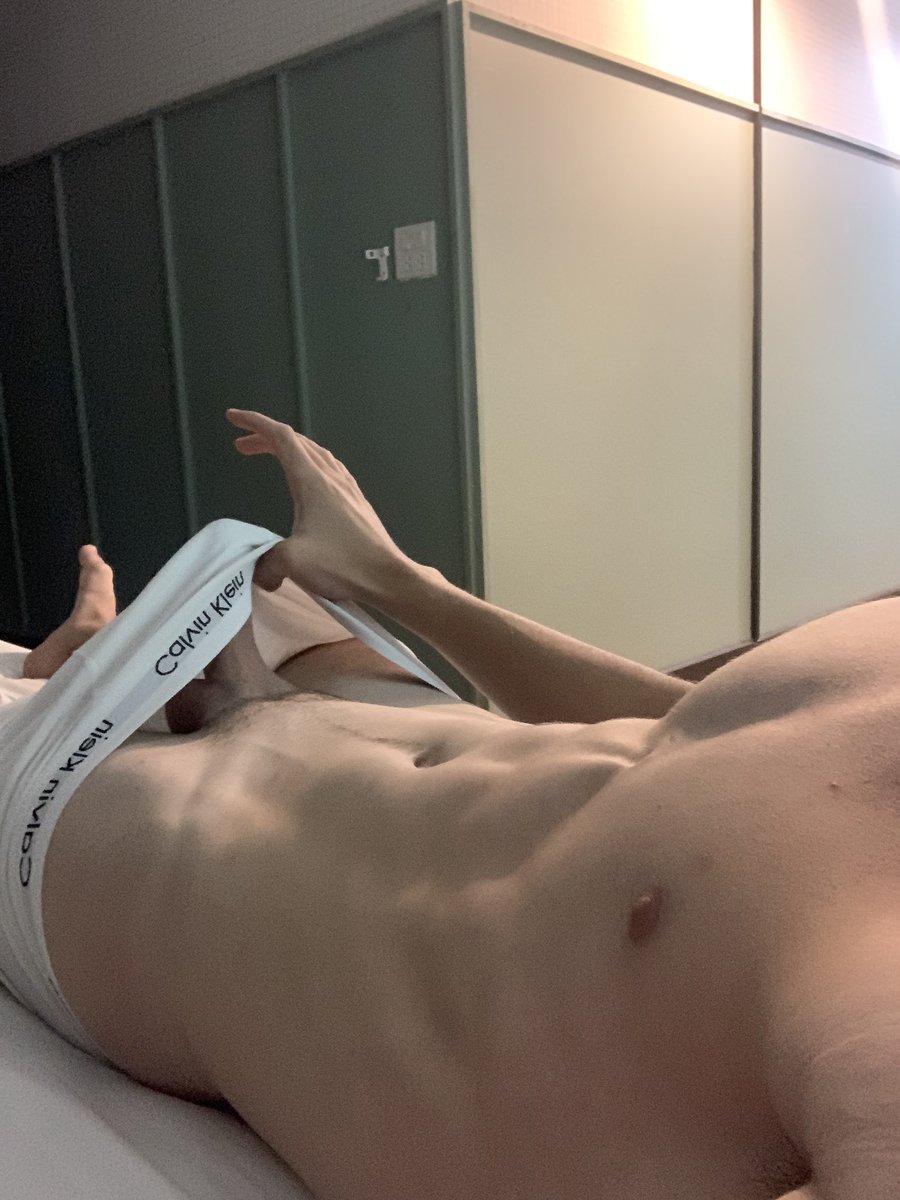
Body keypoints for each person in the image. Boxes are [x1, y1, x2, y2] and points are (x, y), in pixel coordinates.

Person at [19, 407, 900, 1200]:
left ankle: (64, 674)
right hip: (362, 702)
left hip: (178, 848)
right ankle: (94, 655)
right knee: (272, 593)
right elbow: (703, 735)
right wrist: (402, 583)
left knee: (57, 702)